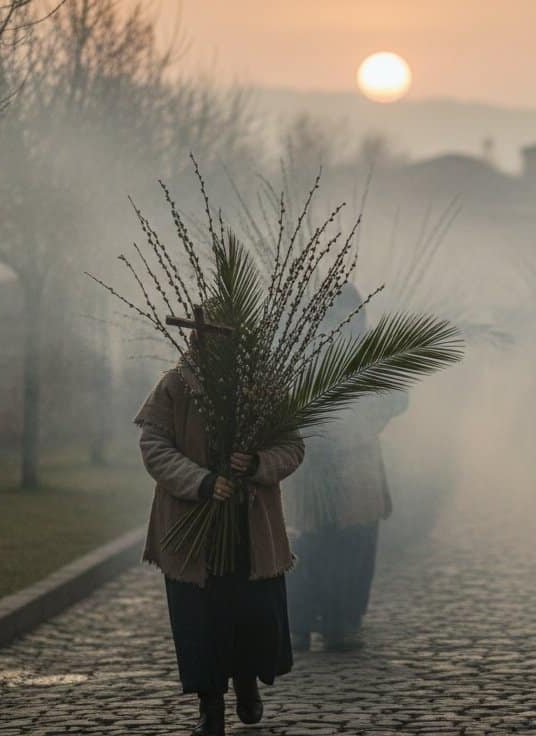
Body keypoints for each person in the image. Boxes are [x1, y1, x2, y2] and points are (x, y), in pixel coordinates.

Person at [136, 353, 304, 736]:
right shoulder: (175, 385)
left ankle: (247, 680)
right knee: (200, 621)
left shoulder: (263, 386)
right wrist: (203, 482)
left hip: (251, 528)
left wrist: (258, 462)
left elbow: (292, 446)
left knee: (253, 614)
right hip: (192, 531)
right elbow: (155, 447)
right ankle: (210, 707)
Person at [284, 284, 408, 651]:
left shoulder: (371, 351)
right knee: (308, 545)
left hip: (354, 463)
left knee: (342, 544)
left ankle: (334, 621)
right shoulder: (299, 347)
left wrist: (366, 422)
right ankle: (307, 622)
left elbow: (397, 397)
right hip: (310, 462)